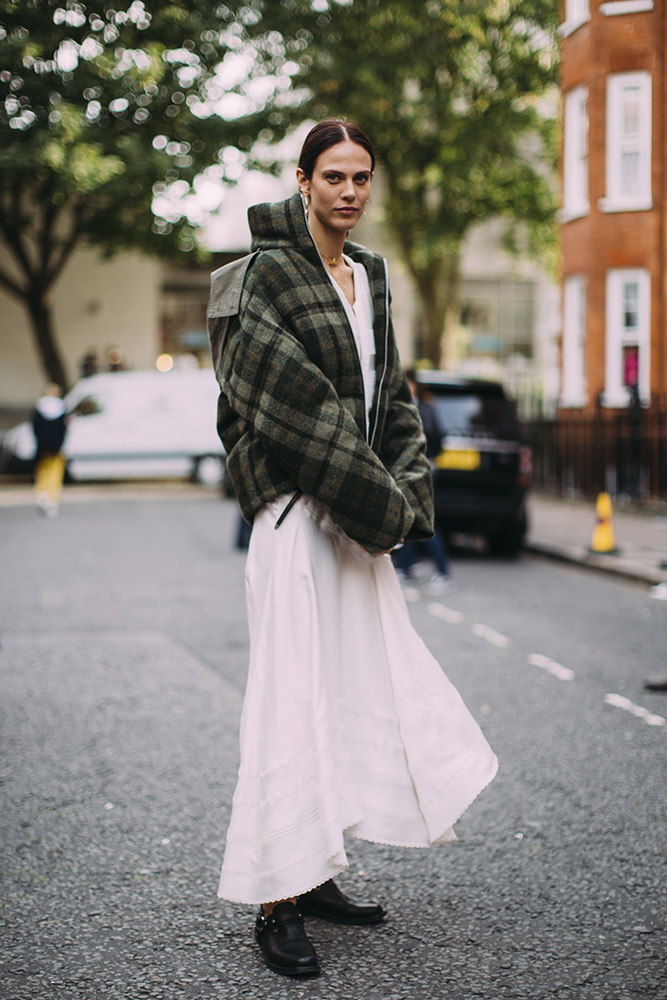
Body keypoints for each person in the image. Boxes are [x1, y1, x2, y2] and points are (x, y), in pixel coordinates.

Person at [207, 120, 498, 978]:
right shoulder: (253, 277)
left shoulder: (368, 274)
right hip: (298, 514)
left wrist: (411, 494)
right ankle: (273, 898)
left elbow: (390, 400)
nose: (349, 191)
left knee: (346, 687)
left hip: (357, 517)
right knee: (288, 700)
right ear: (302, 180)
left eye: (361, 176)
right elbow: (291, 405)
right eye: (332, 175)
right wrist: (379, 503)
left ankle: (317, 868)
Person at [393, 368, 451, 592]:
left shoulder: (424, 408)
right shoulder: (403, 406)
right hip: (406, 469)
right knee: (406, 517)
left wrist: (427, 459)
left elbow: (438, 437)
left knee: (426, 518)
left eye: (409, 383)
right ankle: (406, 567)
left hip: (423, 470)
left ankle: (443, 571)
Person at [32, 383, 68, 517]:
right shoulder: (61, 407)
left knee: (42, 470)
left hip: (42, 445)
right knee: (55, 471)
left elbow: (35, 427)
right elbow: (64, 429)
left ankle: (42, 493)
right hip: (57, 446)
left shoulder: (39, 407)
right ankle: (52, 498)